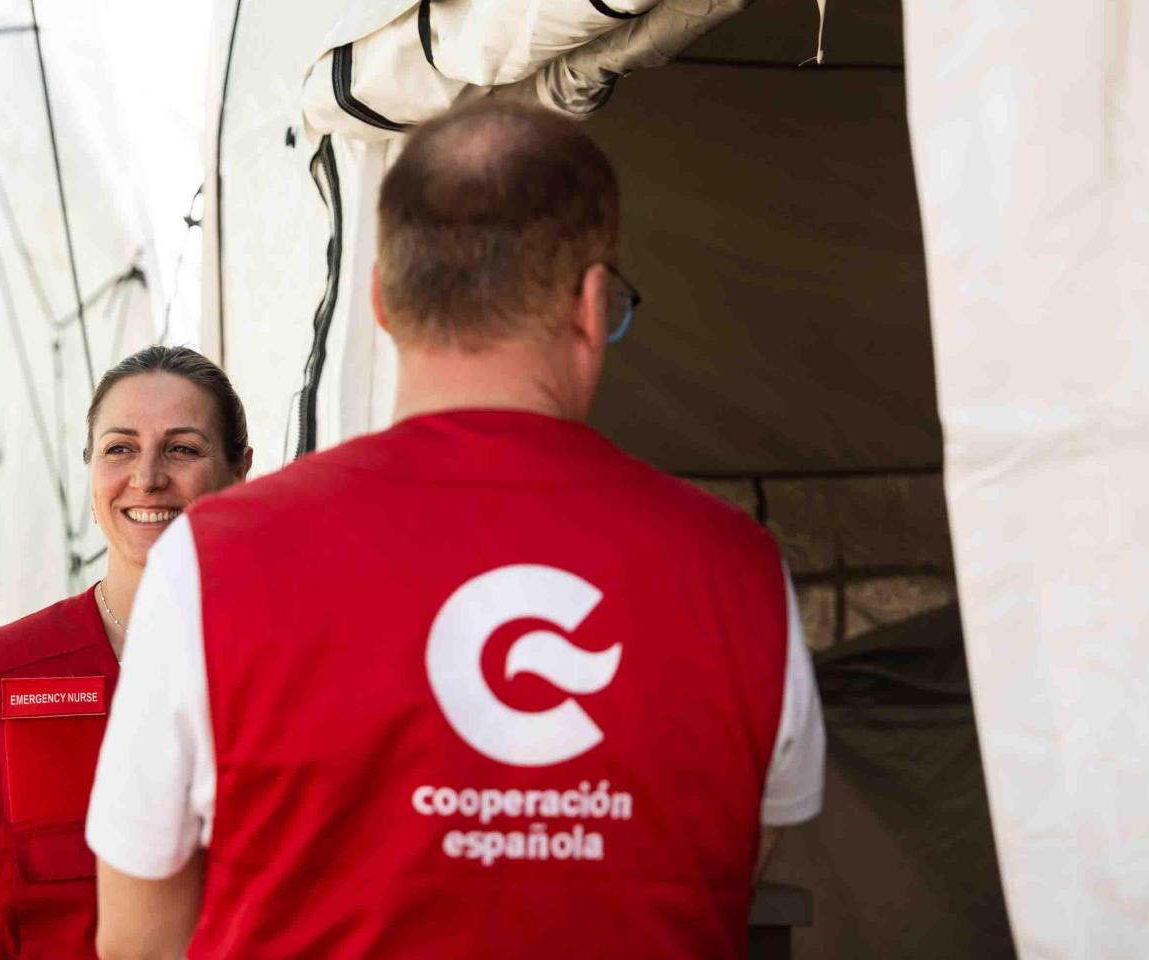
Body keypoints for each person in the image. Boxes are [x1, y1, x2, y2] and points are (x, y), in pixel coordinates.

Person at [86, 100, 826, 960]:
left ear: (381, 302)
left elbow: (140, 941)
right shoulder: (739, 570)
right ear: (592, 304)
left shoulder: (210, 563)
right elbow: (734, 863)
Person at [0, 346, 253, 960]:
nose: (147, 478)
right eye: (119, 448)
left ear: (239, 470)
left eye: (183, 448)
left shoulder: (298, 664)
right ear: (90, 470)